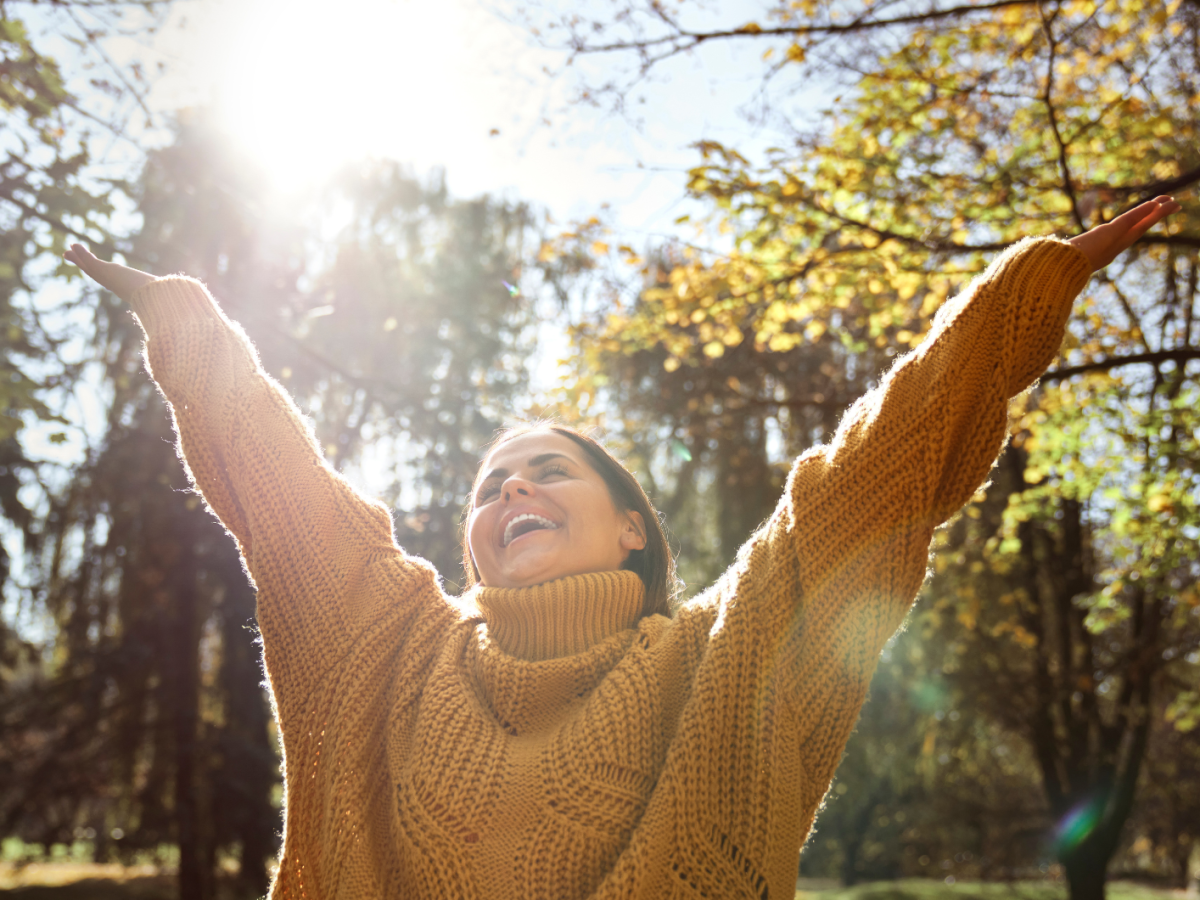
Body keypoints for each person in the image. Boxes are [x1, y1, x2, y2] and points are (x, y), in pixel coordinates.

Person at [64, 195, 1181, 899]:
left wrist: (1019, 300)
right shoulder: (387, 645)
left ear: (632, 526)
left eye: (550, 468)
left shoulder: (725, 660)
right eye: (490, 484)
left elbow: (860, 490)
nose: (513, 489)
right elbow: (289, 499)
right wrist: (190, 327)